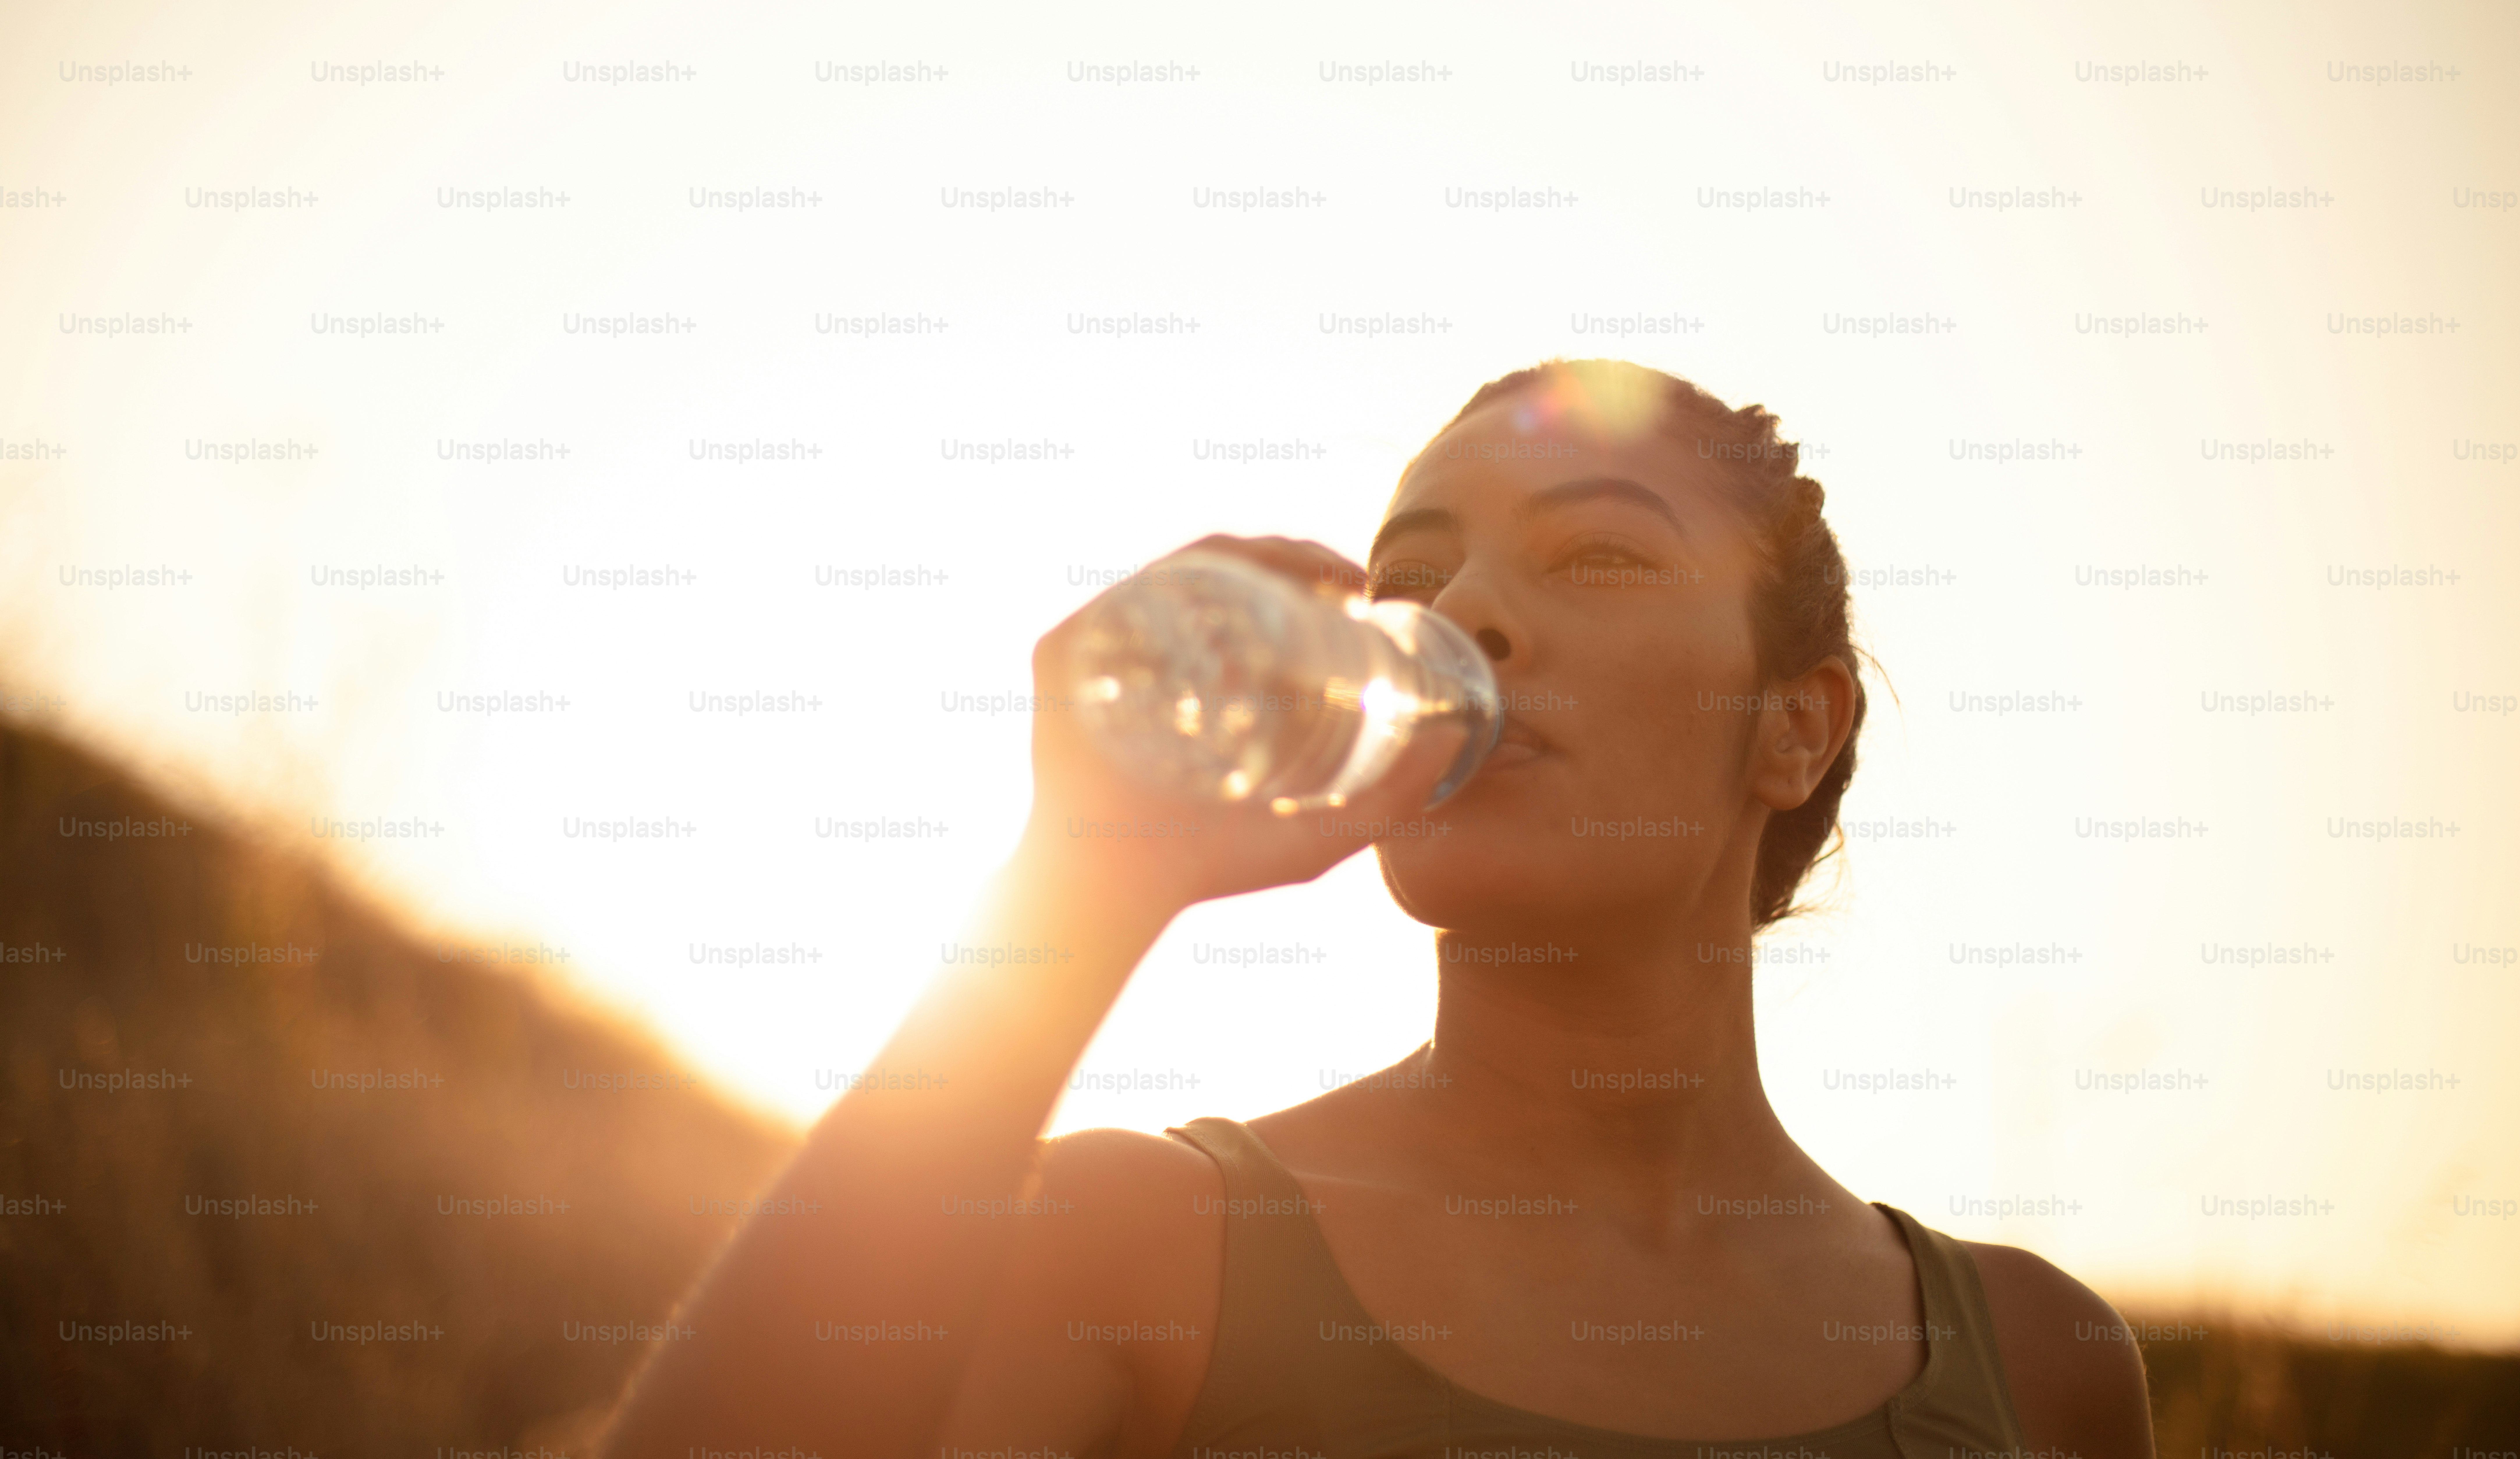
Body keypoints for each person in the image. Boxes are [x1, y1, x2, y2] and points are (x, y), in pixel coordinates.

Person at [599, 358, 2157, 1458]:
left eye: (1599, 556)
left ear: (1793, 727)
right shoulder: (1136, 1252)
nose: (1460, 613)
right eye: (1414, 571)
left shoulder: (2037, 1365)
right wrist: (1073, 886)